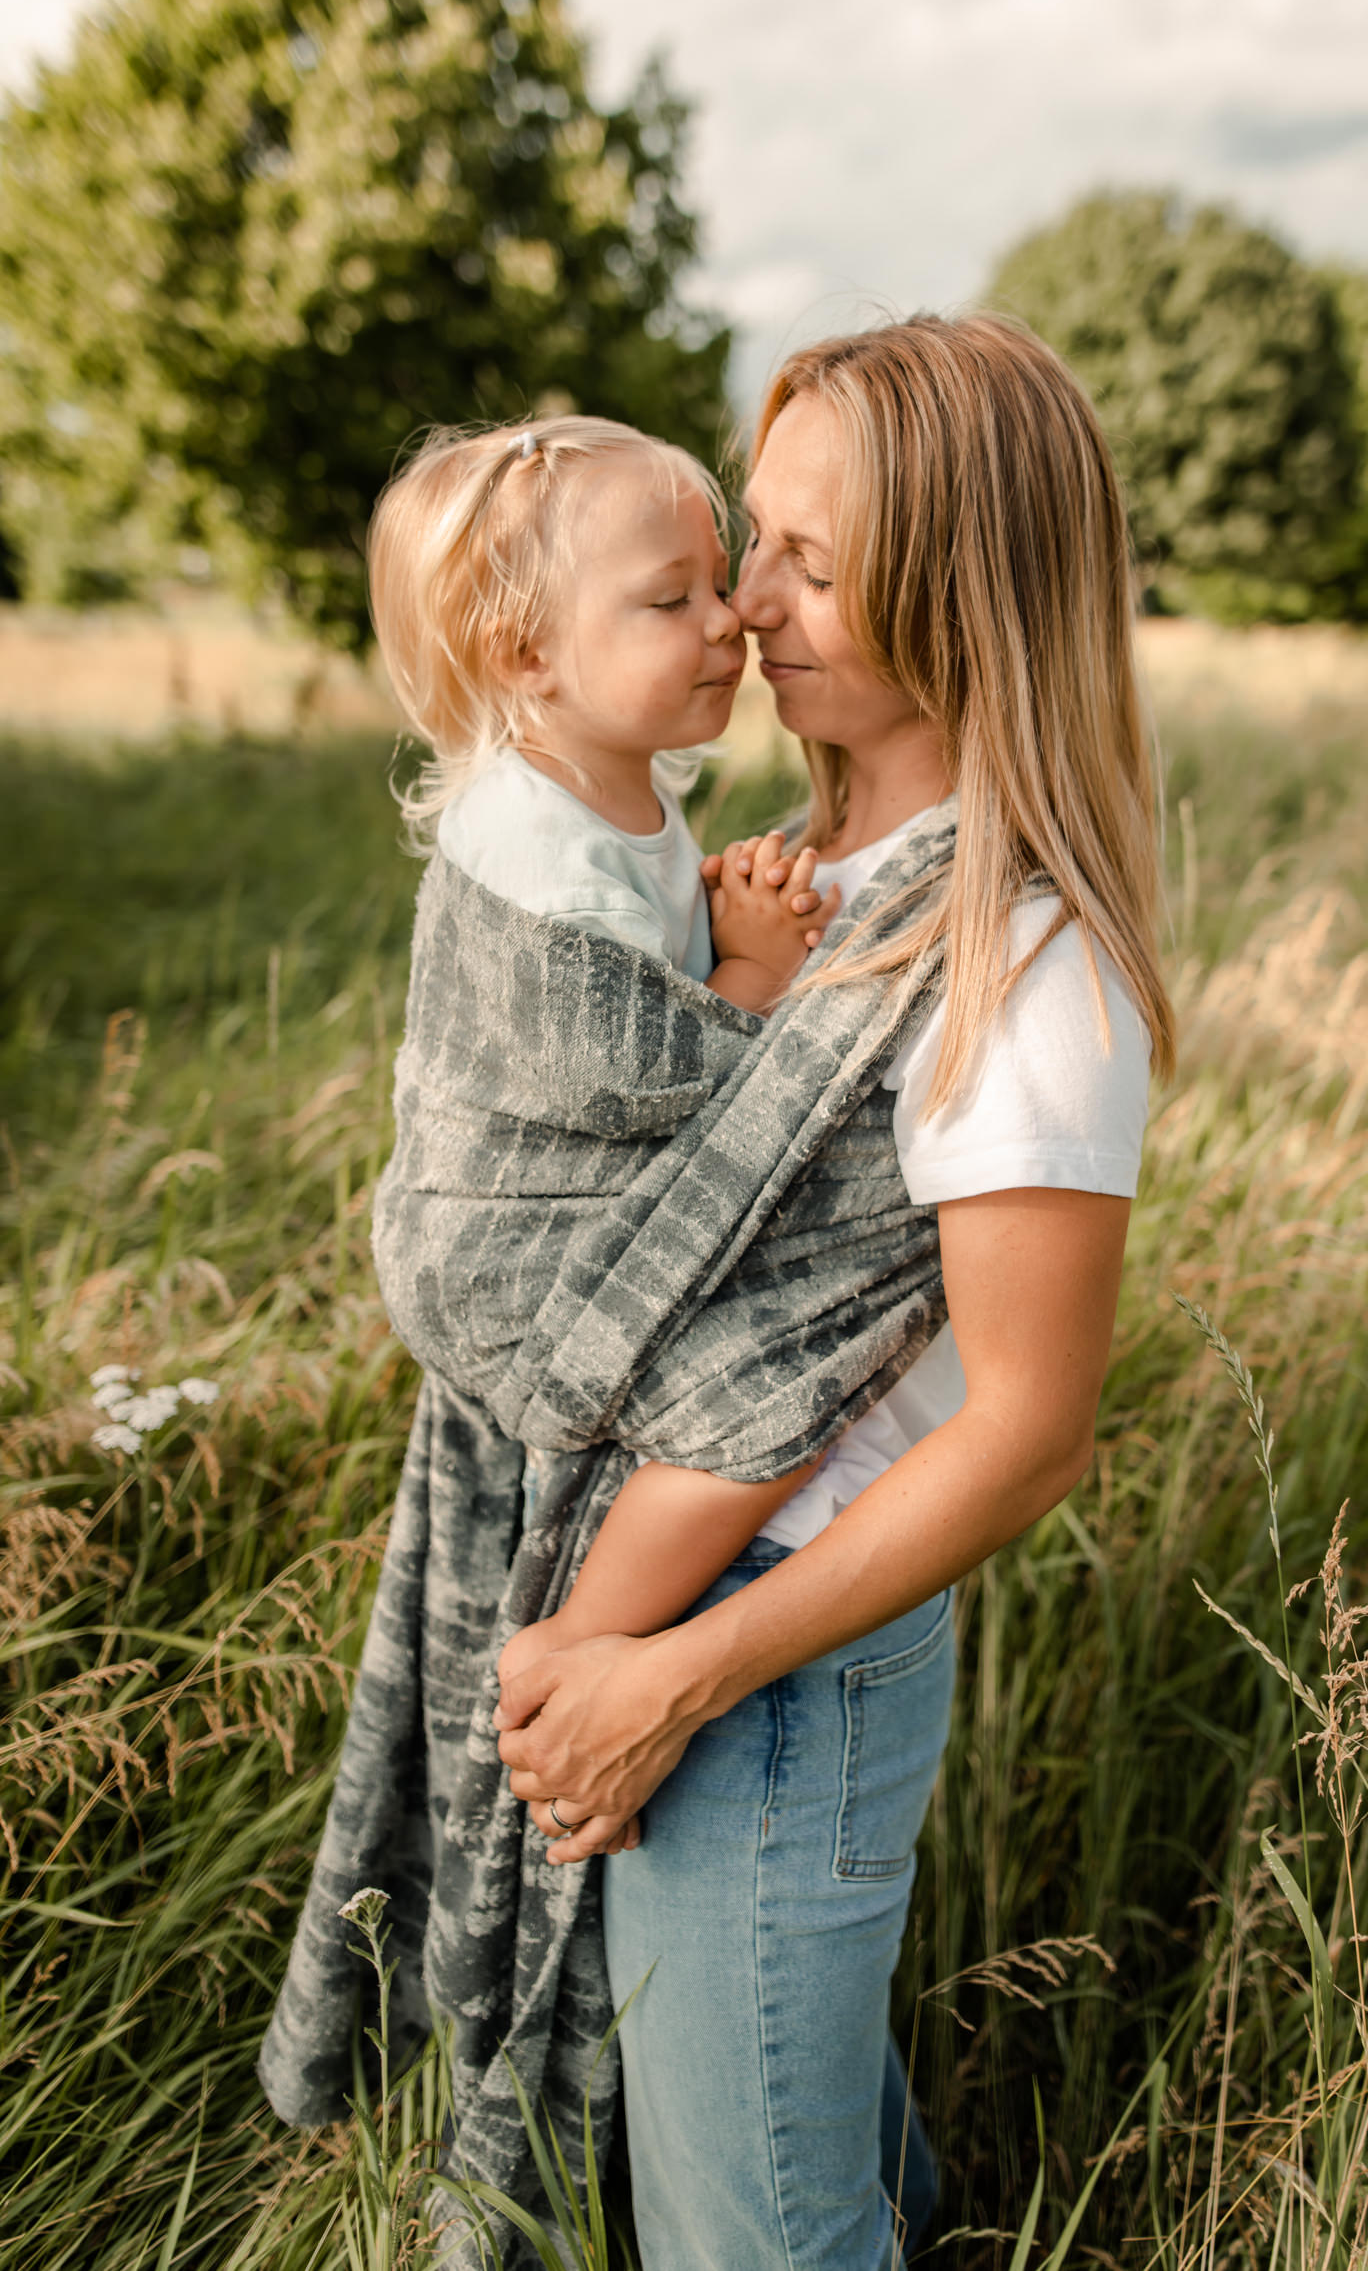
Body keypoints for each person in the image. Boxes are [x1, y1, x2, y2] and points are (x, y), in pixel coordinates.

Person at [492, 313, 1175, 2269]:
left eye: (804, 555)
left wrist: (672, 1676)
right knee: (790, 2166)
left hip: (776, 1655)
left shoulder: (1021, 959)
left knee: (752, 2241)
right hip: (694, 1607)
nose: (743, 602)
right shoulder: (809, 874)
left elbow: (1028, 1427)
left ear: (960, 582)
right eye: (744, 538)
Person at [368, 414, 849, 1719]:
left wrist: (720, 925)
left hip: (563, 1220)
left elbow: (655, 986)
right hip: (502, 1249)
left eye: (714, 583)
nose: (726, 622)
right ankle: (585, 1661)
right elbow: (639, 1082)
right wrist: (751, 971)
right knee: (760, 1408)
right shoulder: (537, 850)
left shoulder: (620, 781)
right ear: (528, 655)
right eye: (667, 601)